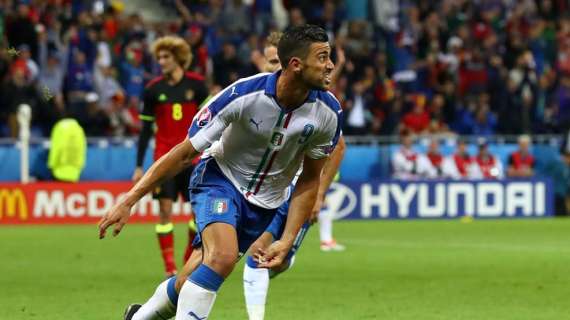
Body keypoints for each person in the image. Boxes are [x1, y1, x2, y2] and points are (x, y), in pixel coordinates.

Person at [98, 25, 342, 320]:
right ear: (296, 64)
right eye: (323, 57)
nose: (330, 65)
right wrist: (129, 199)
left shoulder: (328, 114)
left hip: (264, 204)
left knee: (193, 274)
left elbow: (308, 179)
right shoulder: (242, 95)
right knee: (222, 258)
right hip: (219, 178)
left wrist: (288, 238)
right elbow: (185, 152)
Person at [241, 31, 346, 320]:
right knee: (253, 253)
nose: (273, 67)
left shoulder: (320, 104)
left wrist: (319, 194)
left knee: (280, 261)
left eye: (277, 61)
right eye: (269, 61)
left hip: (298, 190)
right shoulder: (252, 95)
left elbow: (338, 148)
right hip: (262, 188)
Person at [133, 36, 208, 277]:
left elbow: (210, 123)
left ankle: (187, 259)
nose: (162, 62)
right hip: (164, 159)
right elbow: (145, 131)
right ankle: (169, 268)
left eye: (166, 57)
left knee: (196, 213)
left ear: (178, 58)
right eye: (159, 58)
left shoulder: (197, 86)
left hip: (192, 158)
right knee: (165, 211)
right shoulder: (153, 89)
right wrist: (138, 165)